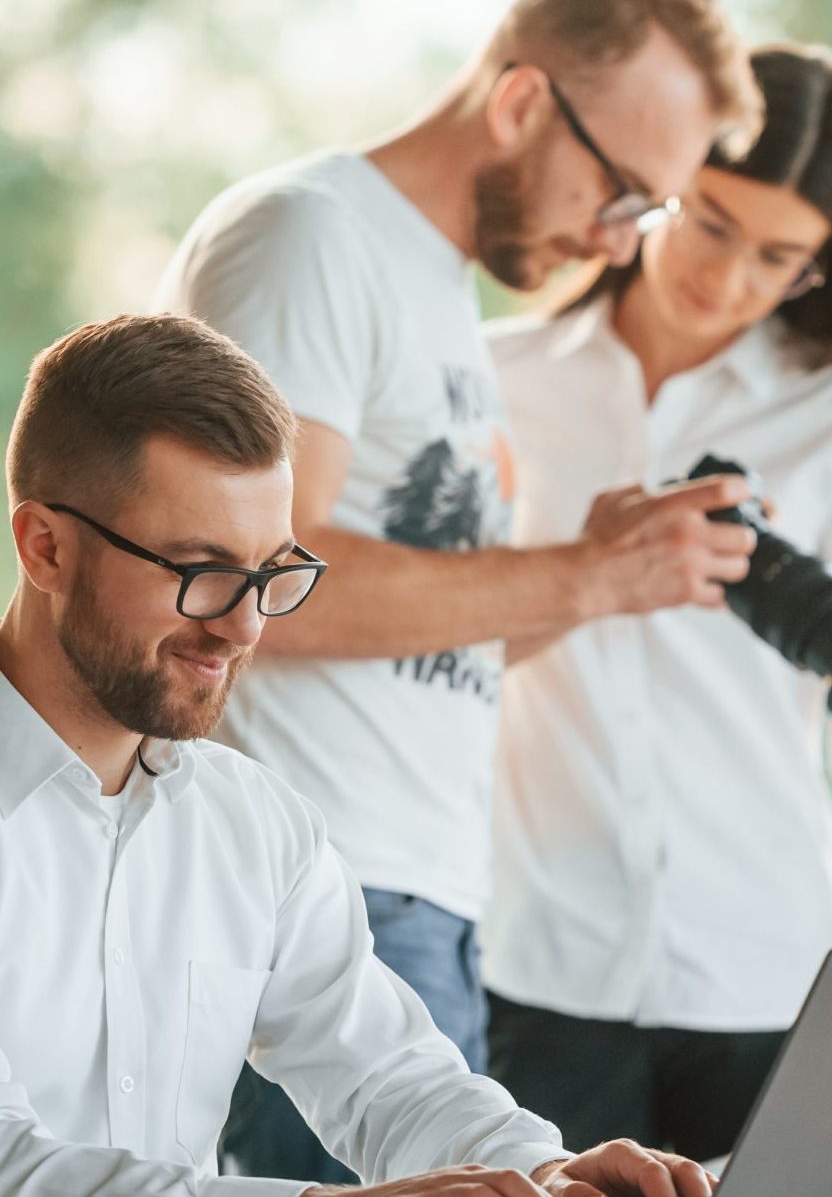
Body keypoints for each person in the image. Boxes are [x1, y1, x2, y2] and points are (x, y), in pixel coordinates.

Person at [152, 0, 762, 1181]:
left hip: (418, 906)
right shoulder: (312, 238)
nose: (623, 241)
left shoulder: (439, 297)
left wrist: (609, 567)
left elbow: (432, 614)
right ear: (523, 99)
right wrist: (581, 576)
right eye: (624, 193)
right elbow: (254, 581)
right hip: (318, 905)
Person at [0, 312, 722, 1197]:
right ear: (46, 547)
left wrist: (546, 1171)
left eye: (272, 572)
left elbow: (385, 1074)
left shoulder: (253, 826)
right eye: (201, 569)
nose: (244, 624)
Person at [481, 41, 832, 1164]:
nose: (728, 279)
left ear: (826, 261)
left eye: (779, 257)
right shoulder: (504, 380)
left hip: (766, 975)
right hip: (539, 965)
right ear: (661, 181)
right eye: (710, 223)